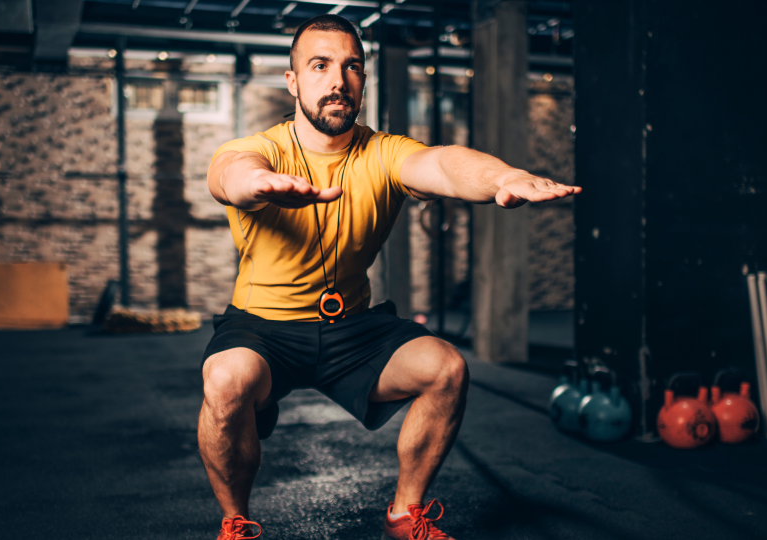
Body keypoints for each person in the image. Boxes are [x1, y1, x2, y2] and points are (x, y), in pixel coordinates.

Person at [201, 14, 581, 540]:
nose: (337, 80)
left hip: (351, 328)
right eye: (319, 65)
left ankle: (405, 514)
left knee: (445, 369)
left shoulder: (382, 153)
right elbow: (228, 174)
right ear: (293, 81)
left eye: (351, 66)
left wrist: (504, 177)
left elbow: (444, 164)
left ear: (362, 77)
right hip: (263, 328)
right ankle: (235, 522)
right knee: (225, 381)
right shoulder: (262, 150)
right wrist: (258, 184)